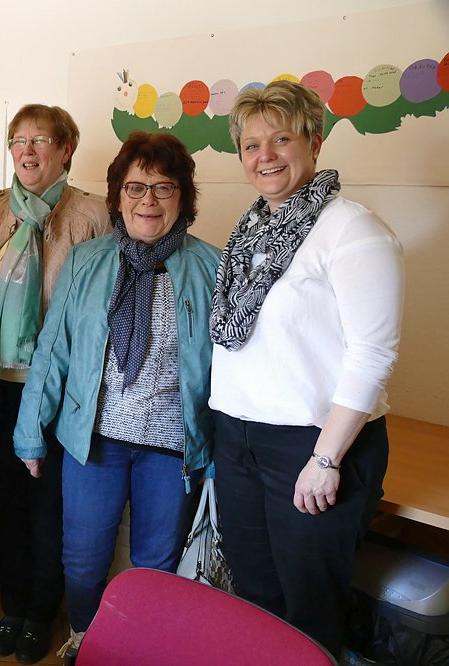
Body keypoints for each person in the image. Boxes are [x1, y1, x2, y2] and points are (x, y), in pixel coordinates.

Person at [209, 80, 404, 658]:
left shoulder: (352, 229)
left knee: (309, 609)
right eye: (250, 145)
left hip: (313, 446)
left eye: (281, 139)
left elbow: (373, 354)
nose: (264, 156)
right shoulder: (250, 230)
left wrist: (326, 459)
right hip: (238, 438)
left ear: (314, 143)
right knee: (255, 596)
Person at [14, 132, 219, 663]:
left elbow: (227, 369)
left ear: (183, 196)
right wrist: (31, 431)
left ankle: (138, 649)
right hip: (94, 442)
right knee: (83, 560)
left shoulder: (211, 267)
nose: (148, 200)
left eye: (163, 187)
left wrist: (221, 453)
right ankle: (85, 638)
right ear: (117, 195)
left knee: (156, 565)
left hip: (172, 448)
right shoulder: (87, 260)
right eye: (135, 187)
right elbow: (53, 349)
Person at [0, 104, 111, 664]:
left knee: (49, 508)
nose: (27, 151)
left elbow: (97, 307)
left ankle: (42, 612)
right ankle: (13, 604)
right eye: (18, 140)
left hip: (55, 388)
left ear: (66, 149)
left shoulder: (92, 214)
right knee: (4, 503)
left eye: (40, 140)